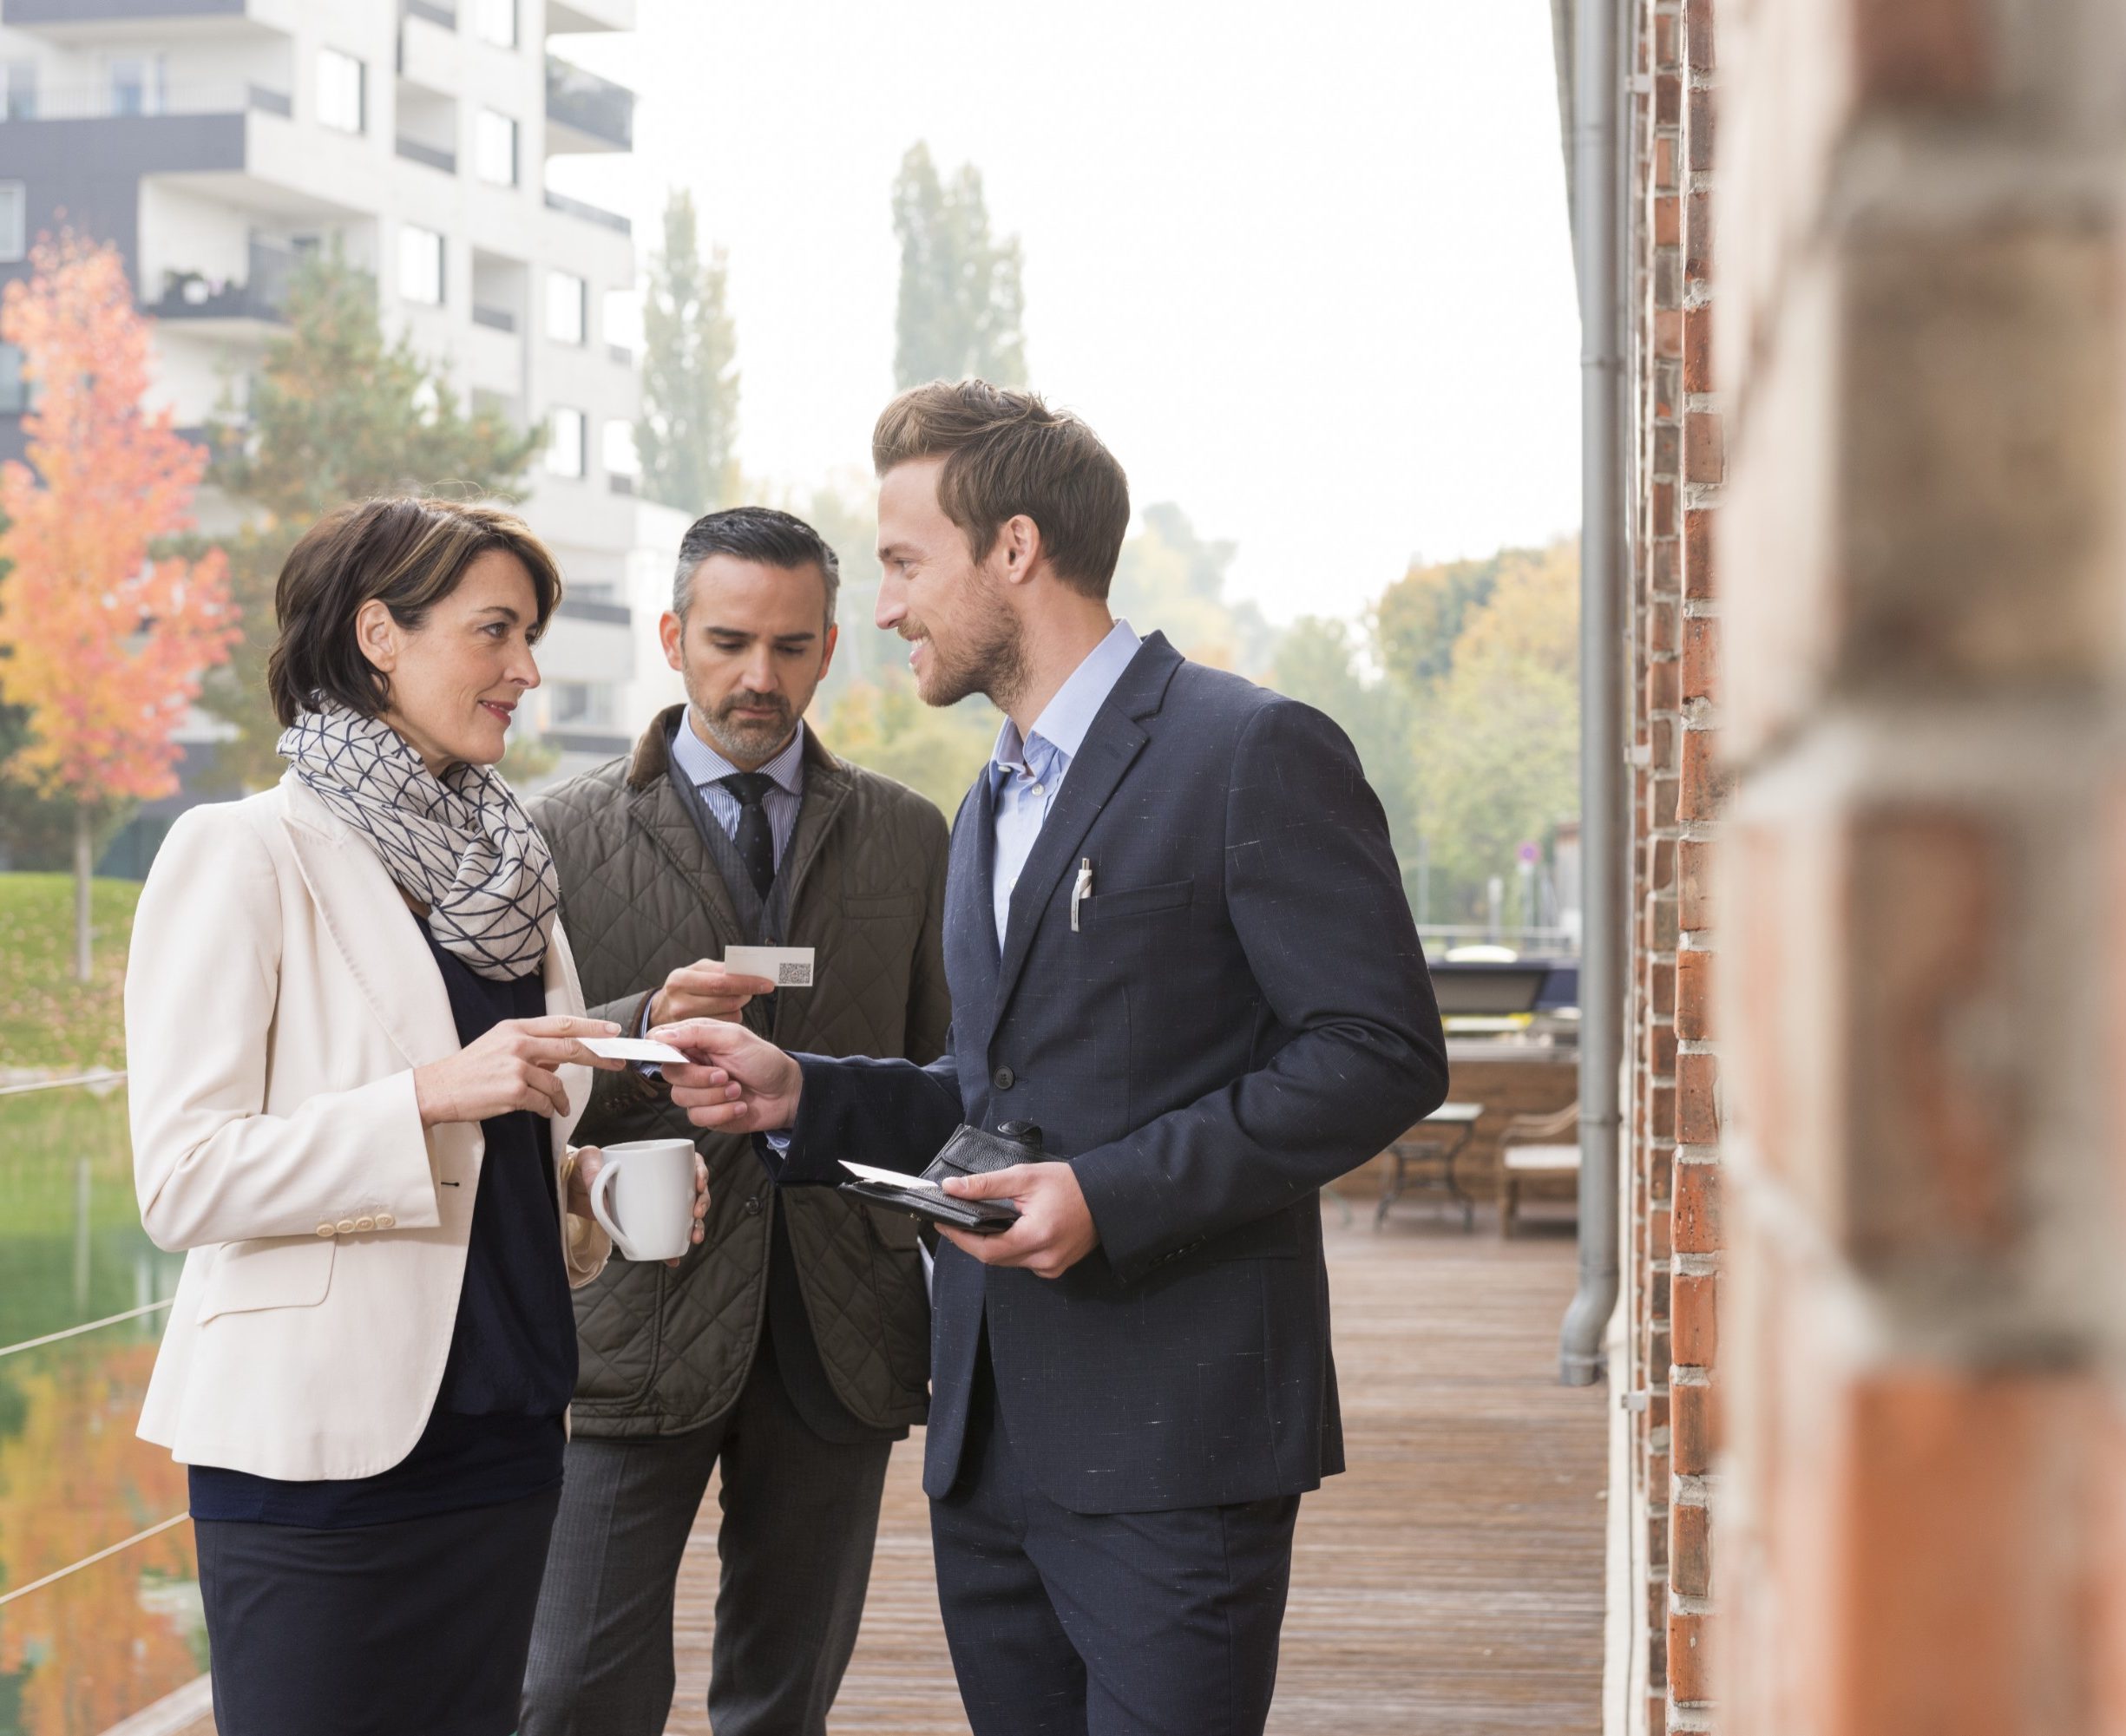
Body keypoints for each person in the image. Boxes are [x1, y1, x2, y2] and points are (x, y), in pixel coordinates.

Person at [654, 382, 1450, 1735]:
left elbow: (1381, 1051)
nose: (886, 609)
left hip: (1176, 1448)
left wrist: (1109, 1194)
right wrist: (805, 1092)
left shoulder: (1251, 748)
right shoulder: (990, 797)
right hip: (989, 1446)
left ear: (1014, 548)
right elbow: (994, 1091)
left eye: (905, 563)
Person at [123, 496, 708, 1736]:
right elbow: (183, 1178)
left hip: (506, 1437)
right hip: (315, 1456)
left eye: (531, 635)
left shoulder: (507, 873)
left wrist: (590, 1189)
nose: (526, 670)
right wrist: (430, 1093)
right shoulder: (241, 852)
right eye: (496, 630)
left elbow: (502, 1142)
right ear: (379, 634)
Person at [521, 507, 951, 1735]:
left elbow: (952, 1079)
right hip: (625, 1326)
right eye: (728, 641)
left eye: (791, 645)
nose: (759, 674)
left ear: (830, 651)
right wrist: (645, 1032)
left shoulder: (910, 837)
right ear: (672, 638)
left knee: (783, 1703)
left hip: (840, 1326)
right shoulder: (555, 837)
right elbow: (521, 1077)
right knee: (571, 1693)